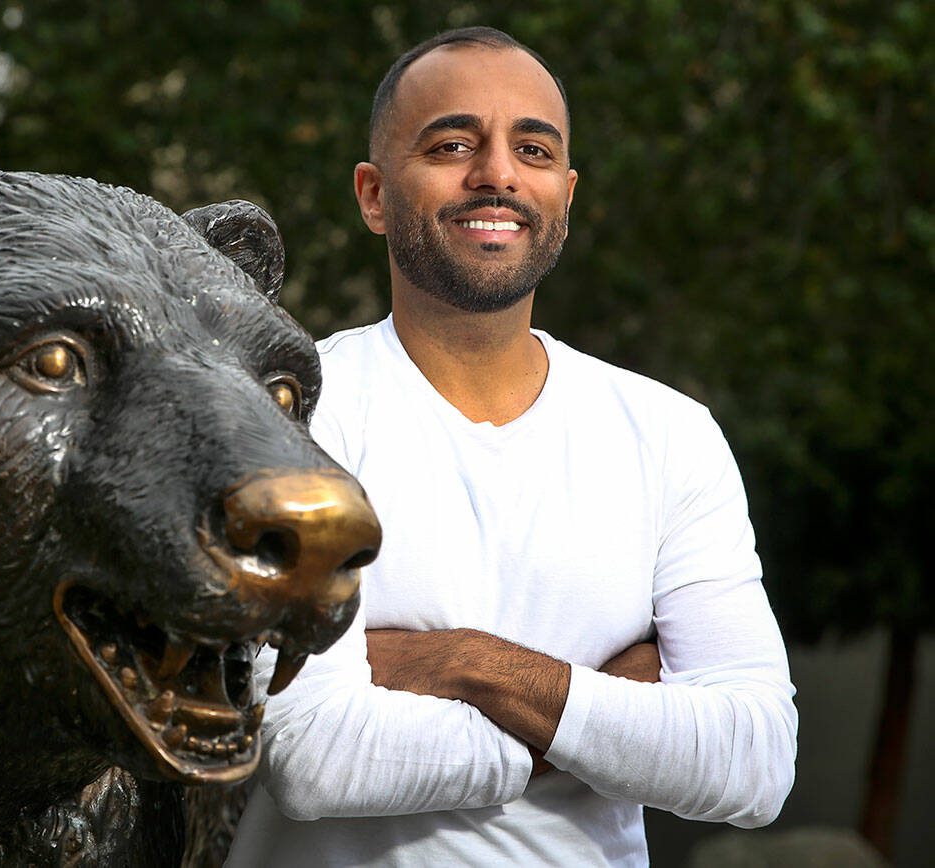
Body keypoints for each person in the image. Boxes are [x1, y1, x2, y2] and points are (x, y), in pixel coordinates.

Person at [225, 26, 797, 867]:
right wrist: (598, 713)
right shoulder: (290, 414)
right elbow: (313, 755)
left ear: (564, 194)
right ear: (374, 194)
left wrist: (466, 664)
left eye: (531, 148)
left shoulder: (670, 434)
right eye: (452, 143)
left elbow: (753, 762)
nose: (496, 173)